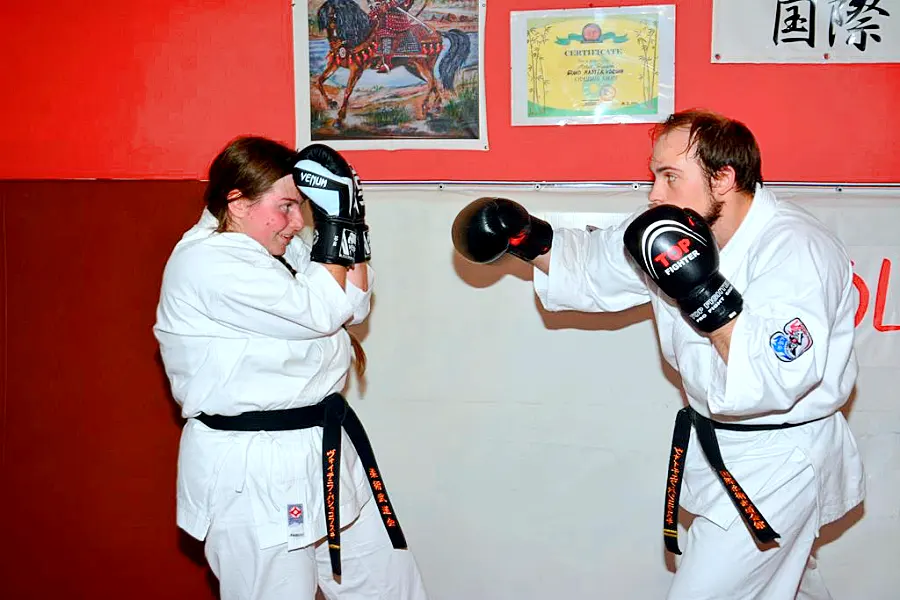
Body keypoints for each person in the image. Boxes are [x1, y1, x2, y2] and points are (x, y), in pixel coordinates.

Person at [451, 109, 865, 599]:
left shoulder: (798, 250)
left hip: (780, 461)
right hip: (722, 443)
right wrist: (526, 238)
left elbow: (778, 375)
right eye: (654, 175)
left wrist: (702, 293)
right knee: (782, 584)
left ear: (723, 178)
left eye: (670, 176)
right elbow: (594, 265)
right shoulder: (671, 230)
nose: (654, 193)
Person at [154, 136, 428, 600]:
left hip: (322, 449)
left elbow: (352, 305)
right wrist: (334, 224)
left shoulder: (279, 248)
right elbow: (320, 311)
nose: (298, 221)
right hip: (255, 466)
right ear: (237, 202)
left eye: (301, 206)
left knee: (389, 587)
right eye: (285, 206)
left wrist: (350, 223)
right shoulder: (208, 262)